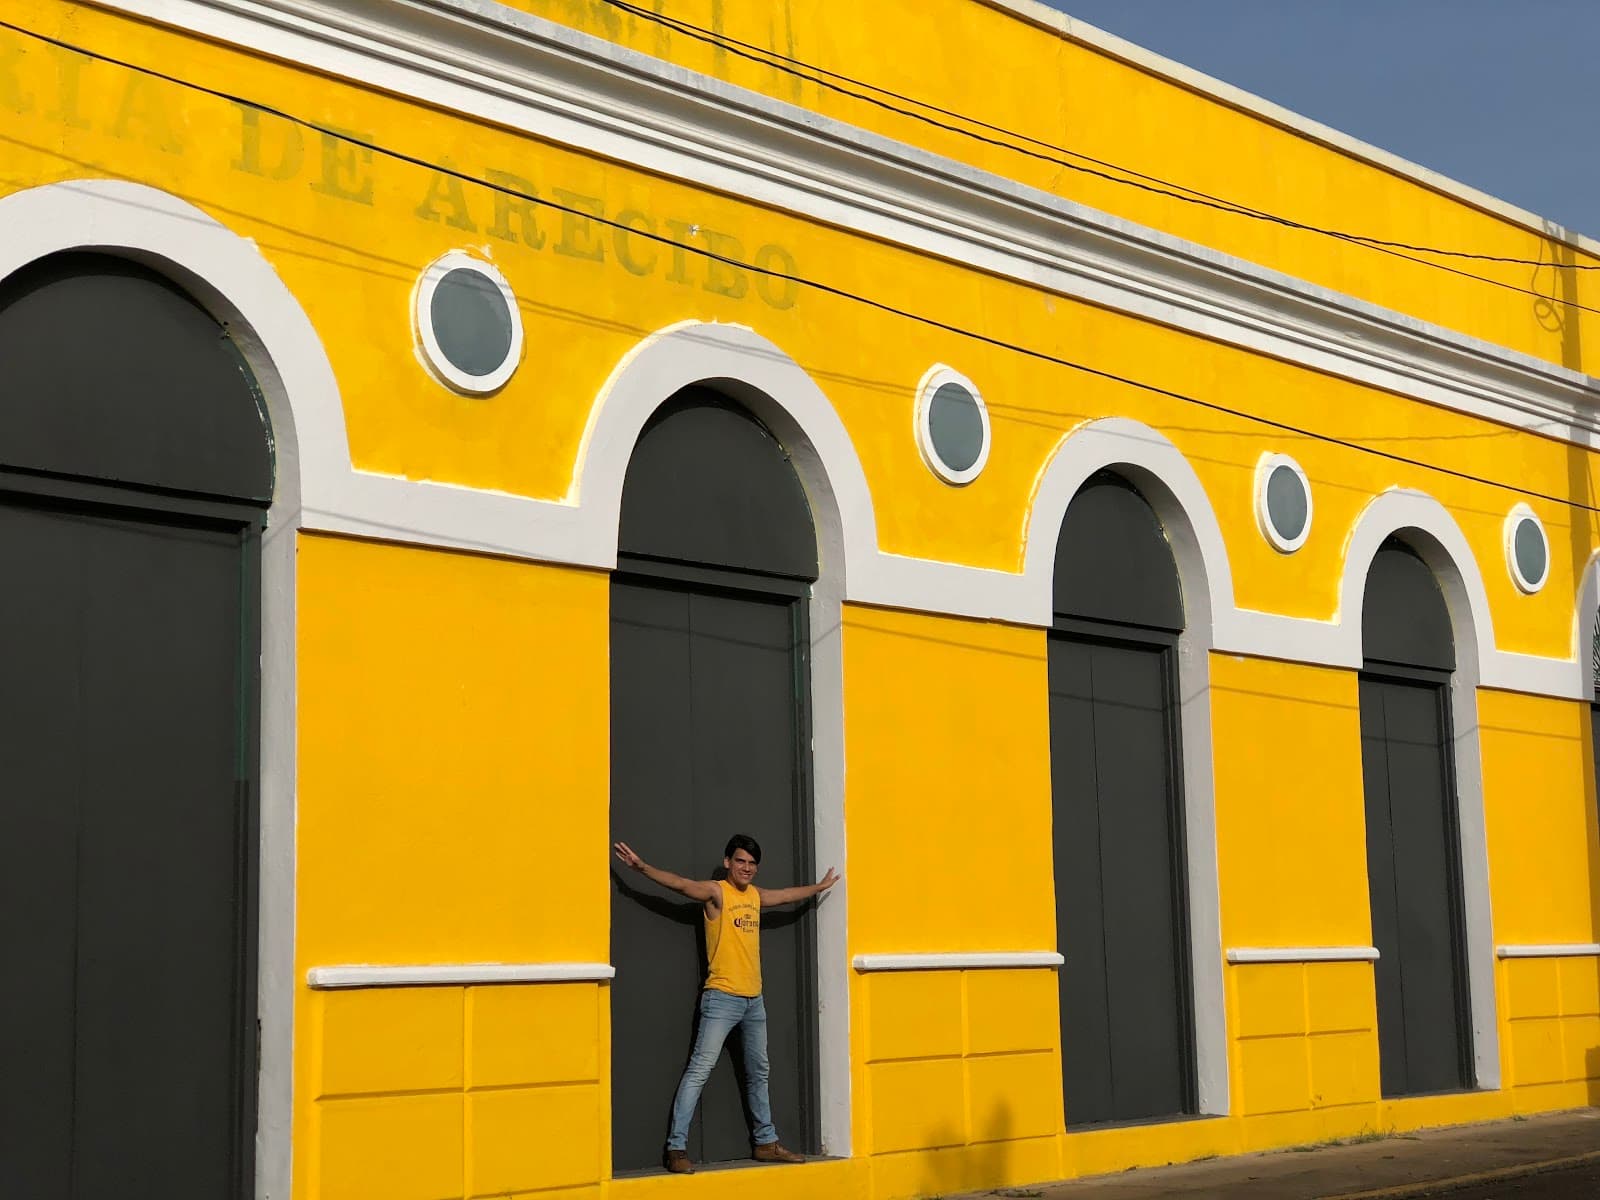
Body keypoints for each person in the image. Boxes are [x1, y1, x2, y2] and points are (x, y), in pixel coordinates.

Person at [612, 833, 840, 1174]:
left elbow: (786, 895)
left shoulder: (757, 897)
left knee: (759, 1072)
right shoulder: (718, 892)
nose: (746, 868)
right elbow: (680, 884)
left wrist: (818, 887)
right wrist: (641, 867)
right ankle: (676, 1148)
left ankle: (766, 1143)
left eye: (751, 863)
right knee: (699, 1070)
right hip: (721, 998)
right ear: (727, 862)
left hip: (754, 1000)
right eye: (740, 861)